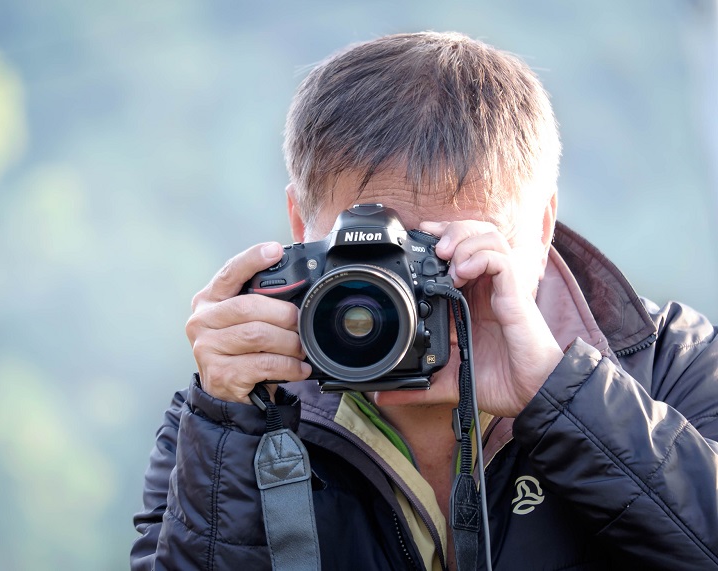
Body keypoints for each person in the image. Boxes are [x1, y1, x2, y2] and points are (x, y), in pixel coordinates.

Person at [130, 31, 718, 570]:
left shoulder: (666, 364)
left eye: (449, 255)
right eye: (375, 257)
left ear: (541, 229)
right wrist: (229, 424)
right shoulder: (232, 408)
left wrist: (560, 394)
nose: (408, 294)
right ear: (299, 226)